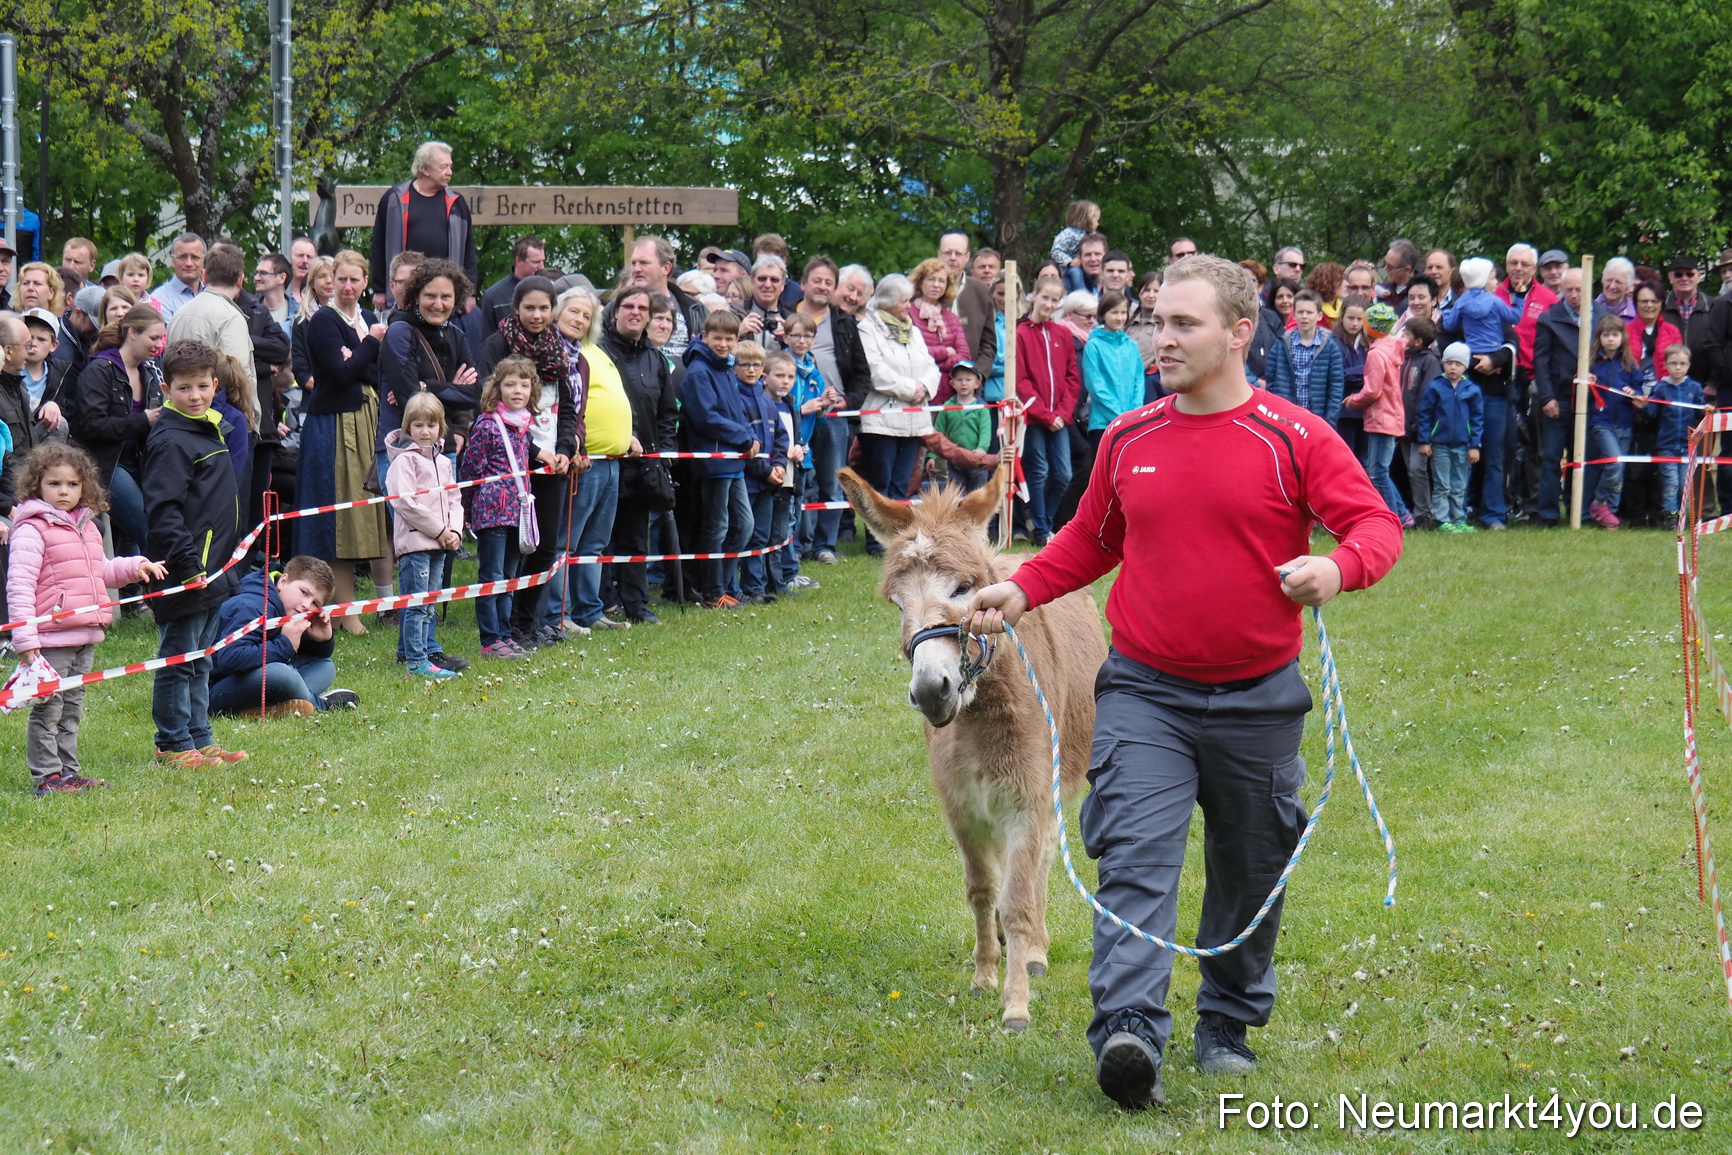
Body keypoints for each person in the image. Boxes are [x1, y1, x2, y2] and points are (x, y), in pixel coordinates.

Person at [962, 254, 1401, 1111]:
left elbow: (1376, 524)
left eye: (1182, 324)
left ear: (1240, 334)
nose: (1161, 338)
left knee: (1251, 863)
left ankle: (1226, 1023)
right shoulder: (1131, 436)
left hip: (1259, 697)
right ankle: (1128, 1028)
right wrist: (1023, 588)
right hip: (1145, 693)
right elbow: (1092, 539)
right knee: (1134, 853)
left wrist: (1338, 568)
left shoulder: (1296, 436)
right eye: (1158, 321)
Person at [5, 442, 166, 793]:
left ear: (85, 487)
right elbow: (19, 586)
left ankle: (68, 772)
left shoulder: (88, 526)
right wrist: (25, 640)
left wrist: (134, 566)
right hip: (50, 640)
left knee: (72, 709)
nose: (64, 491)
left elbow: (101, 571)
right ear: (36, 486)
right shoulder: (32, 529)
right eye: (54, 483)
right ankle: (47, 777)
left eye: (73, 485)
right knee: (48, 710)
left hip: (85, 637)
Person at [143, 340, 246, 767]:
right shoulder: (170, 439)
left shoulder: (209, 426)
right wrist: (188, 566)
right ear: (167, 389)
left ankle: (200, 737)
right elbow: (164, 512)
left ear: (215, 384)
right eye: (184, 388)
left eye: (202, 386)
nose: (195, 396)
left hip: (214, 567)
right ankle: (172, 743)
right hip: (186, 569)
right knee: (179, 658)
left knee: (202, 657)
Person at [474, 276, 583, 644]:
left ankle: (526, 623)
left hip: (554, 461)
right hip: (512, 465)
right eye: (529, 308)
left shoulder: (559, 350)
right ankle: (503, 630)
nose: (537, 315)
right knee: (512, 551)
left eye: (544, 308)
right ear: (516, 309)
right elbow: (488, 402)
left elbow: (568, 407)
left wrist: (566, 449)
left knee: (545, 546)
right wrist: (536, 453)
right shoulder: (496, 344)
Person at [299, 249, 391, 630]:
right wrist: (369, 343)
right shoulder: (323, 321)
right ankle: (345, 612)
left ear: (366, 283)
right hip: (334, 427)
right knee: (341, 515)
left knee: (365, 512)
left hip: (366, 420)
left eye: (356, 280)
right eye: (342, 280)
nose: (348, 286)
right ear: (330, 282)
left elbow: (369, 371)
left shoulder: (366, 318)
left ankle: (355, 607)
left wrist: (360, 352)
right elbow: (338, 374)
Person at [600, 285, 681, 623]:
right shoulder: (599, 352)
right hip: (607, 462)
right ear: (615, 311)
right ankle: (601, 603)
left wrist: (666, 455)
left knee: (636, 537)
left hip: (646, 466)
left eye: (642, 308)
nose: (635, 312)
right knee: (602, 539)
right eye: (628, 306)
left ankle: (636, 604)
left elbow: (667, 413)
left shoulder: (656, 359)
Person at [209, 555, 360, 715]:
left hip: (254, 681)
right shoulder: (253, 606)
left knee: (324, 666)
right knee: (281, 674)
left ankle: (268, 708)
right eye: (304, 592)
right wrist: (284, 644)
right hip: (213, 687)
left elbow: (309, 657)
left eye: (315, 603)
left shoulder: (286, 609)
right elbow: (230, 658)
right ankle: (320, 705)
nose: (306, 605)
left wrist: (321, 641)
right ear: (283, 582)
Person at [461, 356, 539, 657]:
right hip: (492, 512)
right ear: (498, 388)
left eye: (524, 384)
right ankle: (490, 639)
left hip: (516, 513)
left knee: (509, 576)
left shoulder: (523, 427)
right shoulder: (488, 424)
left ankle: (505, 635)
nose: (517, 390)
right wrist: (467, 510)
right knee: (491, 576)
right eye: (510, 384)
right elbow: (470, 469)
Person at [680, 310, 756, 607]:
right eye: (717, 338)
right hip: (714, 460)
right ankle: (712, 592)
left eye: (729, 339)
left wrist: (748, 435)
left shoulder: (725, 368)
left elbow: (735, 411)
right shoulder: (698, 371)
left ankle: (723, 584)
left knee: (744, 525)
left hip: (733, 459)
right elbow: (706, 418)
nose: (723, 344)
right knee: (717, 526)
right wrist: (743, 436)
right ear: (704, 337)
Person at [386, 392, 464, 679]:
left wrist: (454, 530)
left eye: (431, 425)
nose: (425, 431)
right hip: (416, 544)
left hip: (441, 544)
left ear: (440, 427)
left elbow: (454, 499)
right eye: (418, 425)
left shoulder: (444, 463)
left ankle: (410, 652)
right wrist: (439, 530)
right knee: (417, 604)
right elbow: (405, 503)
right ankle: (416, 662)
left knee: (429, 604)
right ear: (408, 428)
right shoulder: (403, 463)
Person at [1531, 269, 1604, 526]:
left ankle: (1581, 512)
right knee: (1551, 457)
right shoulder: (1549, 319)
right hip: (1559, 399)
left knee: (1584, 458)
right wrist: (1547, 397)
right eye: (1569, 290)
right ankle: (1548, 514)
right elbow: (1541, 361)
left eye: (1579, 289)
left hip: (1592, 400)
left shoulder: (1604, 317)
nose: (1574, 295)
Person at [369, 141, 479, 311]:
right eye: (443, 167)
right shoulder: (395, 198)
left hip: (444, 298)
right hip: (404, 294)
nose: (450, 172)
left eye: (450, 166)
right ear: (425, 169)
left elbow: (469, 250)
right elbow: (378, 244)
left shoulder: (457, 202)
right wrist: (379, 289)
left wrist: (470, 292)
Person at [165, 244, 258, 436]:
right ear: (240, 280)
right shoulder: (231, 317)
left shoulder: (179, 313)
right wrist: (250, 421)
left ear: (204, 276)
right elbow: (239, 376)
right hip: (221, 424)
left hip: (179, 418)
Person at [1015, 276, 1081, 545]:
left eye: (1055, 300)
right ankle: (1042, 531)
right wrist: (1044, 414)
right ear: (1034, 296)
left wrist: (1063, 414)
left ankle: (1046, 522)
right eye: (1045, 297)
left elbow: (1072, 377)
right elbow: (1022, 380)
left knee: (1063, 474)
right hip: (1035, 418)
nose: (1049, 304)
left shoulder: (1063, 333)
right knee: (1039, 471)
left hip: (1060, 419)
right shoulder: (1021, 333)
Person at [1343, 305, 1411, 526]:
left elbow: (1372, 390)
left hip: (1382, 418)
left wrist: (1353, 401)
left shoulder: (1375, 353)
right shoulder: (1392, 348)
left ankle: (1394, 518)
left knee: (1377, 473)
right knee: (1380, 470)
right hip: (1391, 416)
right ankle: (1401, 515)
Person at [735, 342, 791, 603]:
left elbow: (781, 436)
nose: (751, 370)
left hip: (768, 482)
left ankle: (755, 587)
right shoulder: (735, 397)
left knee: (761, 535)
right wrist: (765, 470)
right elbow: (741, 443)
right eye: (744, 364)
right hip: (748, 480)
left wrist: (780, 465)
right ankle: (739, 587)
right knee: (743, 532)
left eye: (756, 364)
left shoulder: (766, 400)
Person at [1418, 343, 1485, 532]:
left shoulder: (1472, 389)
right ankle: (1441, 519)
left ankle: (1458, 519)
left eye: (1457, 363)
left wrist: (1475, 445)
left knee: (1459, 484)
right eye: (1449, 363)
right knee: (1442, 484)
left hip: (1464, 446)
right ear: (1443, 364)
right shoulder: (1435, 387)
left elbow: (1477, 419)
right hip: (1439, 444)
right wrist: (1424, 441)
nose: (1453, 367)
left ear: (1465, 366)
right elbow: (1425, 415)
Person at [1582, 316, 1641, 529]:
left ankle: (1611, 516)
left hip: (1625, 423)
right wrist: (1587, 383)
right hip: (1601, 421)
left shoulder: (1629, 364)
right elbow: (1580, 394)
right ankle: (1598, 504)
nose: (1610, 339)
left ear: (1622, 337)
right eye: (1606, 335)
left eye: (1615, 334)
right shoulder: (1591, 364)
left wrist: (1634, 393)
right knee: (1614, 464)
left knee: (1620, 470)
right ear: (1599, 337)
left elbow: (1640, 392)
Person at [1266, 287, 1345, 425]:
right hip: (1286, 417)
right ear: (1294, 315)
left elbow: (1336, 386)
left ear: (1319, 316)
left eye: (1309, 312)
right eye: (1300, 312)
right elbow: (1271, 382)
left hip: (1318, 418)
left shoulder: (1330, 346)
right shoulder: (1281, 345)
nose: (1304, 316)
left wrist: (1329, 421)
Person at [626, 236, 707, 356]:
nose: (636, 269)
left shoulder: (694, 308)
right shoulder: (618, 307)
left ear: (666, 268)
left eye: (644, 263)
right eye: (633, 263)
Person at [1082, 291, 1143, 445]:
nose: (1119, 317)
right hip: (1103, 423)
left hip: (1131, 424)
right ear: (1103, 314)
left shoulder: (1131, 346)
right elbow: (1096, 386)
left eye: (1123, 312)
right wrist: (1121, 417)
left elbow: (1139, 383)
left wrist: (1134, 417)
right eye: (1114, 312)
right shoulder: (1094, 346)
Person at [1398, 317, 1442, 527]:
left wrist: (1419, 425)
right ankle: (1416, 511)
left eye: (1407, 334)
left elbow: (1428, 394)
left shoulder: (1429, 361)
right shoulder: (1403, 358)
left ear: (1418, 341)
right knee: (1409, 470)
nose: (1403, 337)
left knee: (1418, 469)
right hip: (1402, 425)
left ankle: (1424, 513)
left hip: (1420, 427)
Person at [1653, 345, 1705, 521]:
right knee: (1671, 482)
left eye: (1682, 364)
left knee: (1685, 483)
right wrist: (1642, 407)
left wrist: (1707, 410)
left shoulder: (1695, 388)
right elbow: (1652, 413)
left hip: (1687, 445)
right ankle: (1670, 516)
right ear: (1665, 365)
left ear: (1688, 365)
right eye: (1673, 363)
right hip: (1667, 445)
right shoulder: (1660, 388)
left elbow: (1701, 413)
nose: (1678, 367)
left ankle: (1684, 516)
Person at [908, 257, 972, 398]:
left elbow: (965, 355)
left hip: (949, 394)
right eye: (931, 279)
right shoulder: (907, 314)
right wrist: (945, 352)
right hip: (918, 392)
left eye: (941, 281)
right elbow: (911, 354)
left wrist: (937, 367)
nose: (936, 285)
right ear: (920, 282)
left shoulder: (951, 318)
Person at [938, 231, 997, 375]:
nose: (952, 258)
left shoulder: (980, 291)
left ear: (967, 257)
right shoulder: (926, 289)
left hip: (970, 385)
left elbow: (988, 343)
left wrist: (978, 374)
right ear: (939, 255)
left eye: (958, 253)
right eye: (947, 253)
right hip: (933, 382)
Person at [931, 360, 991, 492]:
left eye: (968, 379)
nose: (963, 383)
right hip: (955, 461)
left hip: (977, 460)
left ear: (977, 383)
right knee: (956, 496)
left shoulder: (982, 408)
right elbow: (937, 432)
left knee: (978, 497)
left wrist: (982, 448)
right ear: (952, 383)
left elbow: (985, 431)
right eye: (959, 380)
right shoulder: (947, 406)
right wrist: (932, 456)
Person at [475, 235, 545, 343]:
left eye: (542, 261)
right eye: (536, 262)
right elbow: (487, 341)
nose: (541, 267)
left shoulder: (549, 291)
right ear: (518, 260)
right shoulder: (494, 296)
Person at [151, 234, 206, 322]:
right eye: (183, 257)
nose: (189, 263)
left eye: (195, 257)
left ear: (203, 261)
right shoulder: (159, 299)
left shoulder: (213, 294)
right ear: (173, 261)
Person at [1049, 201, 1101, 271]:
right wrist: (1070, 262)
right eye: (1096, 220)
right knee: (1076, 273)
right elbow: (1056, 251)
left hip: (1088, 268)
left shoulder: (1093, 235)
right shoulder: (1068, 233)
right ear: (1087, 219)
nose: (1098, 224)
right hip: (1071, 270)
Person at [1379, 239, 1419, 314]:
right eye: (1385, 264)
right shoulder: (1380, 289)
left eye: (1390, 267)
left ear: (1407, 270)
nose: (1385, 269)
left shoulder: (1420, 295)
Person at [1596, 257, 1637, 323]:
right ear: (1602, 281)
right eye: (1609, 280)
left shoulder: (1636, 316)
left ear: (1628, 287)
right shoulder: (1589, 311)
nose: (1612, 286)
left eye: (1618, 282)